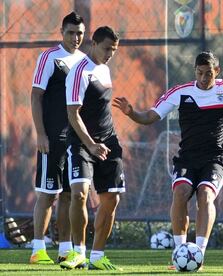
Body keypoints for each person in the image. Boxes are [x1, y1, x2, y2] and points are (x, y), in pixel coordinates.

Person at [113, 51, 223, 265]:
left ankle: (198, 252)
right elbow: (149, 117)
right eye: (199, 73)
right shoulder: (180, 92)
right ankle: (180, 251)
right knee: (180, 192)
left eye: (208, 73)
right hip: (187, 158)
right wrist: (131, 112)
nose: (203, 78)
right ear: (195, 72)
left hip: (216, 158)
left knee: (205, 195)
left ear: (217, 71)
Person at [59, 26, 124, 270]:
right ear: (93, 43)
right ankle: (78, 253)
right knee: (79, 194)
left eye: (114, 50)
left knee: (112, 199)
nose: (110, 54)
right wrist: (91, 144)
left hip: (108, 142)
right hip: (82, 143)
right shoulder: (78, 72)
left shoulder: (105, 70)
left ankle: (97, 257)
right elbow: (73, 114)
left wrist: (104, 143)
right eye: (107, 48)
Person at [30, 11, 85, 265]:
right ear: (62, 32)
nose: (76, 38)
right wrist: (41, 133)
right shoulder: (49, 57)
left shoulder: (85, 61)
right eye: (71, 33)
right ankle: (38, 249)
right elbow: (36, 96)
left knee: (68, 195)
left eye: (80, 33)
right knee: (47, 193)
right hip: (52, 137)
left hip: (75, 140)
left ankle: (65, 249)